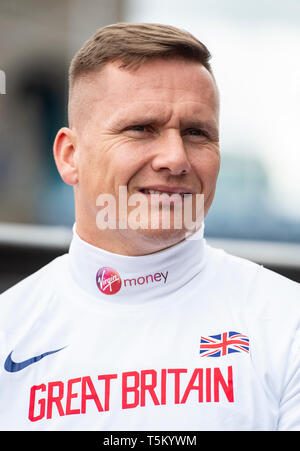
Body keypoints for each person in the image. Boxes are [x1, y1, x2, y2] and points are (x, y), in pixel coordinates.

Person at [0, 22, 300, 432]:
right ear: (71, 156)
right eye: (141, 129)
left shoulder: (287, 322)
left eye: (197, 133)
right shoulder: (9, 329)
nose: (175, 158)